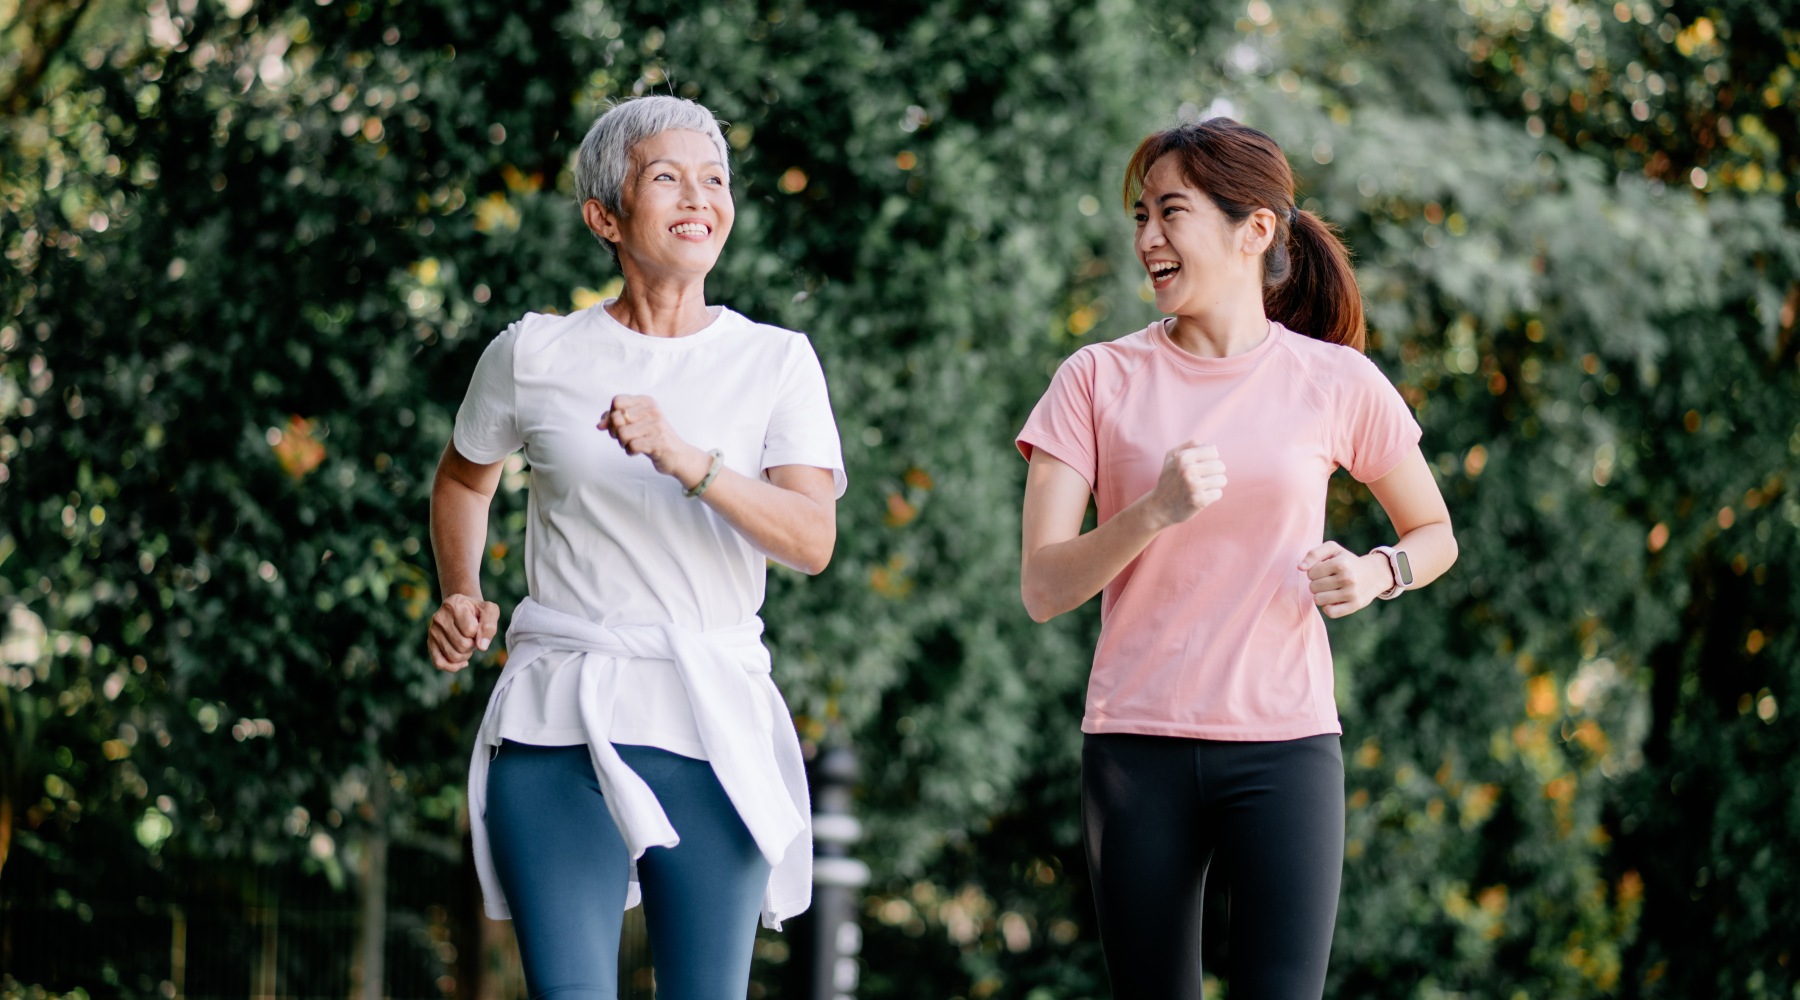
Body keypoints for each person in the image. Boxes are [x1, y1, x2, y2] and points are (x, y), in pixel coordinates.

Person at [1016, 117, 1458, 999]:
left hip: (1285, 748)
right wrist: (1150, 514)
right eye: (1140, 216)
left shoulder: (1336, 382)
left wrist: (1378, 572)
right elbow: (1042, 585)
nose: (1147, 238)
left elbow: (1435, 534)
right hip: (1136, 747)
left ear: (1254, 229)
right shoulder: (1096, 379)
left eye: (1169, 213)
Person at [425, 95, 845, 999]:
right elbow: (465, 477)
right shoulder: (533, 352)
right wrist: (462, 589)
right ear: (605, 217)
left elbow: (810, 539)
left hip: (708, 724)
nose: (701, 197)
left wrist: (686, 458)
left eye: (715, 179)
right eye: (668, 178)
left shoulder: (776, 360)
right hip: (557, 715)